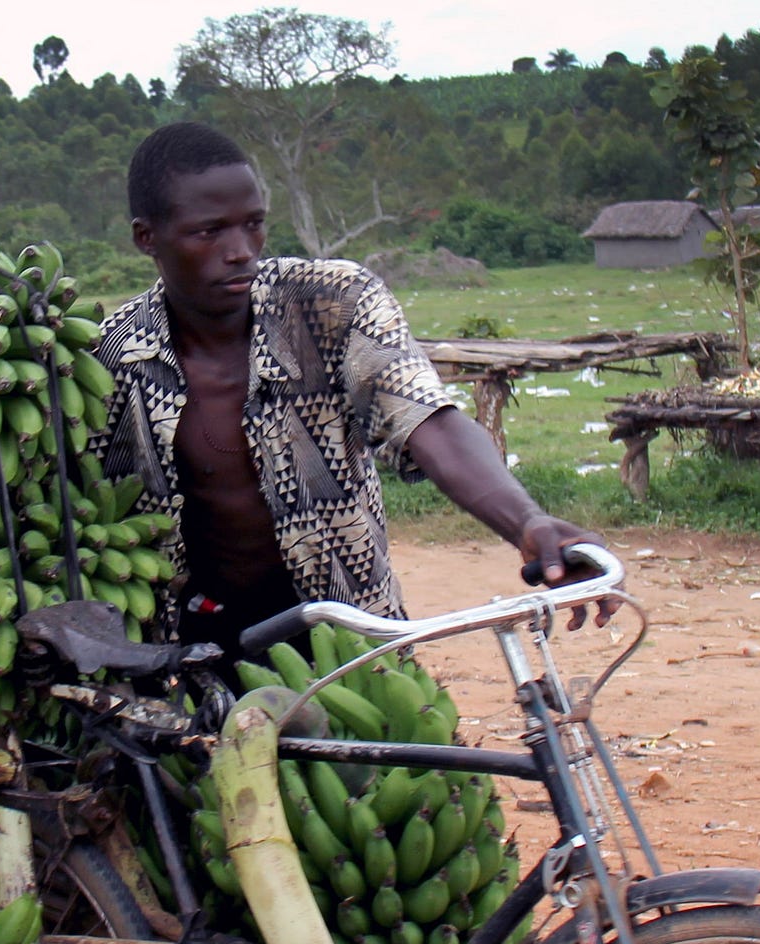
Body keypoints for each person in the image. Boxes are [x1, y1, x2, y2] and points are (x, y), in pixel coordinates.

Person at [94, 122, 609, 652]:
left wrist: (526, 522)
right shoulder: (111, 356)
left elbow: (427, 418)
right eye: (210, 232)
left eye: (253, 225)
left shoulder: (332, 303)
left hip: (349, 625)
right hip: (194, 643)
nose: (241, 250)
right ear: (146, 237)